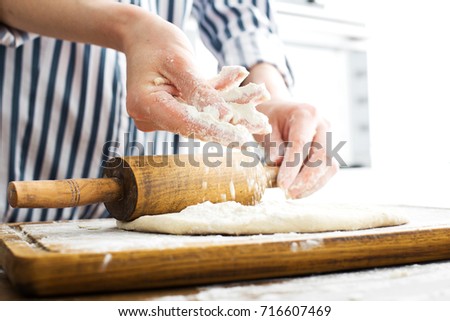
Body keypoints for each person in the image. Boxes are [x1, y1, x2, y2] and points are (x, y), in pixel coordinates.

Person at [0, 0, 338, 223]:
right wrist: (129, 26)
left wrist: (269, 97)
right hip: (27, 186)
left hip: (154, 210)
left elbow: (239, 13)